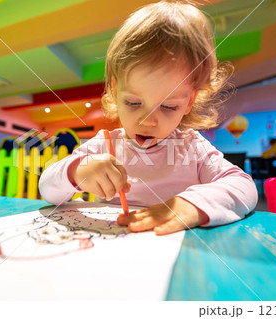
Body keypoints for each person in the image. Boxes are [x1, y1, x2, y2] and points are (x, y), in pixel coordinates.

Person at [39, 0, 258, 235]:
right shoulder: (106, 145)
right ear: (115, 90)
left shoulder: (192, 148)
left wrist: (191, 206)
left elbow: (245, 187)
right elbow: (47, 189)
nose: (147, 121)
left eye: (168, 106)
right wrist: (76, 171)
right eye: (133, 103)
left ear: (189, 102)